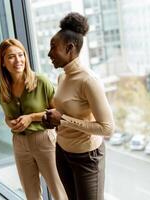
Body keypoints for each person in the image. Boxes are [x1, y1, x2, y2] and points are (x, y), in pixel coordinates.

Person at [43, 12, 115, 200]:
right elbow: (66, 112)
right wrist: (54, 121)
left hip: (87, 157)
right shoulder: (62, 76)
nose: (49, 53)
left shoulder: (89, 81)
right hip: (63, 152)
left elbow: (107, 128)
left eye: (53, 47)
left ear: (70, 48)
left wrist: (63, 120)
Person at [0, 38, 67, 200]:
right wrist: (11, 123)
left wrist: (31, 118)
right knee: (31, 194)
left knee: (58, 191)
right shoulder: (1, 90)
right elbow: (8, 117)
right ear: (2, 62)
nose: (18, 60)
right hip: (19, 144)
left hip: (43, 140)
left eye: (21, 55)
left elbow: (58, 112)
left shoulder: (41, 81)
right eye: (11, 57)